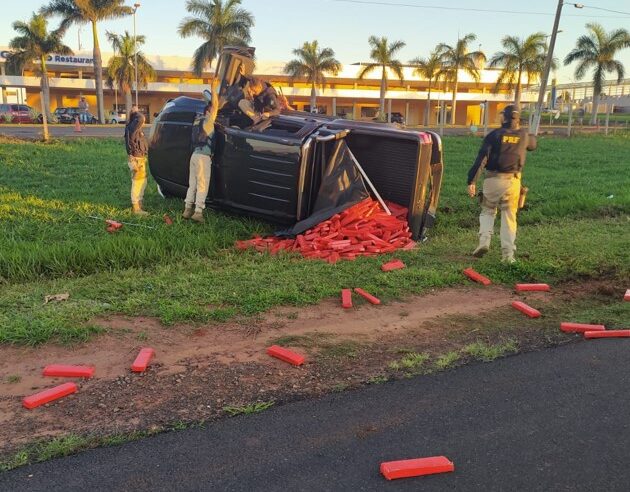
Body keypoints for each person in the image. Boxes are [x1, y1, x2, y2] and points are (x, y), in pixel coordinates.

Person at [466, 105, 537, 264]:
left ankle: (484, 242)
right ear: (517, 120)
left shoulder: (494, 135)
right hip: (513, 182)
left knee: (488, 211)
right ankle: (508, 256)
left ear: (504, 118)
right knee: (509, 218)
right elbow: (533, 145)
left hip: (492, 180)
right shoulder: (525, 136)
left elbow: (482, 159)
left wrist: (472, 181)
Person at [183, 78, 220, 223]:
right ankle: (198, 212)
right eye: (212, 111)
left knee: (192, 184)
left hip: (194, 156)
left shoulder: (197, 121)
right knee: (202, 184)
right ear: (209, 112)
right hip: (203, 158)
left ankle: (187, 210)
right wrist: (213, 88)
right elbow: (215, 104)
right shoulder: (209, 121)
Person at [124, 106, 149, 215]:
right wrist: (136, 112)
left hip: (139, 157)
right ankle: (136, 208)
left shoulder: (134, 128)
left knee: (142, 181)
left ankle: (139, 204)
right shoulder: (133, 127)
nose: (143, 123)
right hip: (137, 158)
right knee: (138, 182)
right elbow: (141, 118)